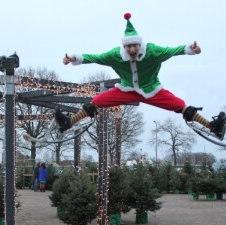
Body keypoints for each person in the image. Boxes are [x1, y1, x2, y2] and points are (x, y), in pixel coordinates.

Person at [55, 13, 226, 141]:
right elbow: (95, 57)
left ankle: (214, 127)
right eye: (128, 47)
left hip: (152, 90)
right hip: (126, 90)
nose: (132, 51)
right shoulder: (116, 55)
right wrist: (74, 58)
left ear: (140, 44)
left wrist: (191, 49)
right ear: (124, 46)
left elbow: (173, 51)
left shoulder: (152, 52)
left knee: (182, 106)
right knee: (96, 101)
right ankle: (68, 123)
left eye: (135, 46)